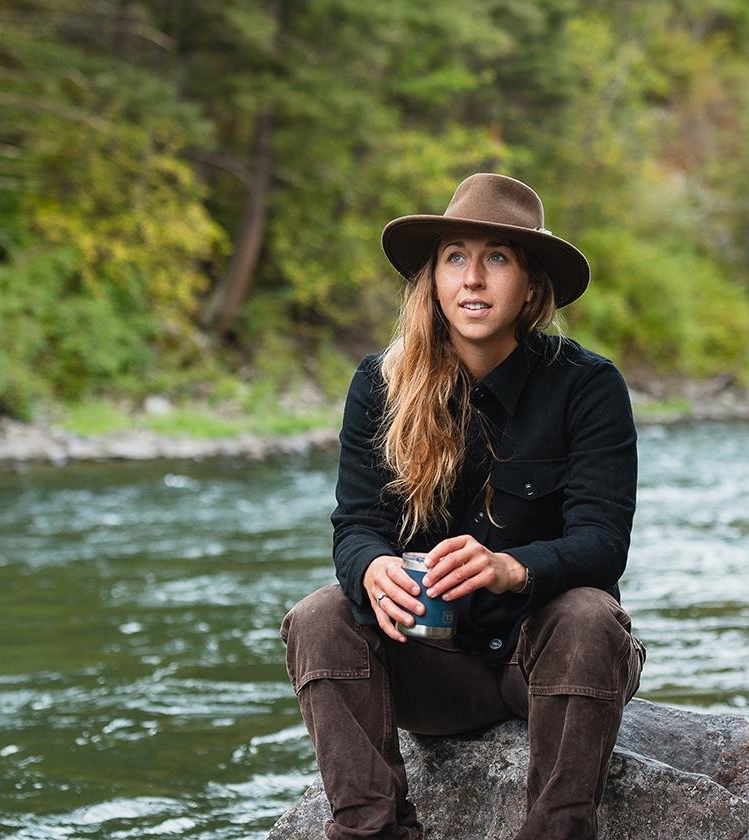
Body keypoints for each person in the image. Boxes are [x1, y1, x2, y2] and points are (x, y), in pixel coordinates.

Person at [280, 173, 646, 840]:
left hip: (549, 663)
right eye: (455, 256)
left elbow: (603, 542)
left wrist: (509, 569)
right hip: (433, 667)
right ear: (435, 278)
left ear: (531, 286)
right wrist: (369, 569)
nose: (473, 278)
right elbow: (356, 526)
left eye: (497, 258)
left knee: (591, 614)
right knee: (318, 615)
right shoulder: (378, 384)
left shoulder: (589, 387)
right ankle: (375, 831)